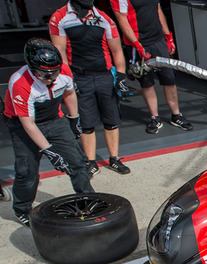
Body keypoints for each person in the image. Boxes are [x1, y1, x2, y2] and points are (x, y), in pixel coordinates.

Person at [3, 38, 94, 227]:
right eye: (44, 74)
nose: (50, 78)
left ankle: (88, 199)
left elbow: (69, 93)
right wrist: (49, 150)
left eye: (54, 72)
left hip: (54, 118)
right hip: (22, 125)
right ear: (32, 67)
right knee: (27, 171)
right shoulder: (20, 83)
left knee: (77, 161)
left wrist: (74, 118)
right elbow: (28, 124)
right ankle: (22, 209)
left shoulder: (64, 72)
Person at [49, 0, 131, 176]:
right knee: (86, 123)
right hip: (80, 76)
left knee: (111, 120)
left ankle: (114, 159)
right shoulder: (59, 17)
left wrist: (121, 76)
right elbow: (60, 51)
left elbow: (117, 50)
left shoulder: (104, 18)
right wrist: (68, 78)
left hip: (104, 76)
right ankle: (91, 161)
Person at [109, 0, 192, 134]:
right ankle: (155, 117)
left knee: (169, 78)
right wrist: (137, 45)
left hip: (157, 39)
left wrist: (168, 36)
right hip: (138, 42)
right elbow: (122, 20)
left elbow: (158, 9)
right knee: (146, 82)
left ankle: (176, 115)